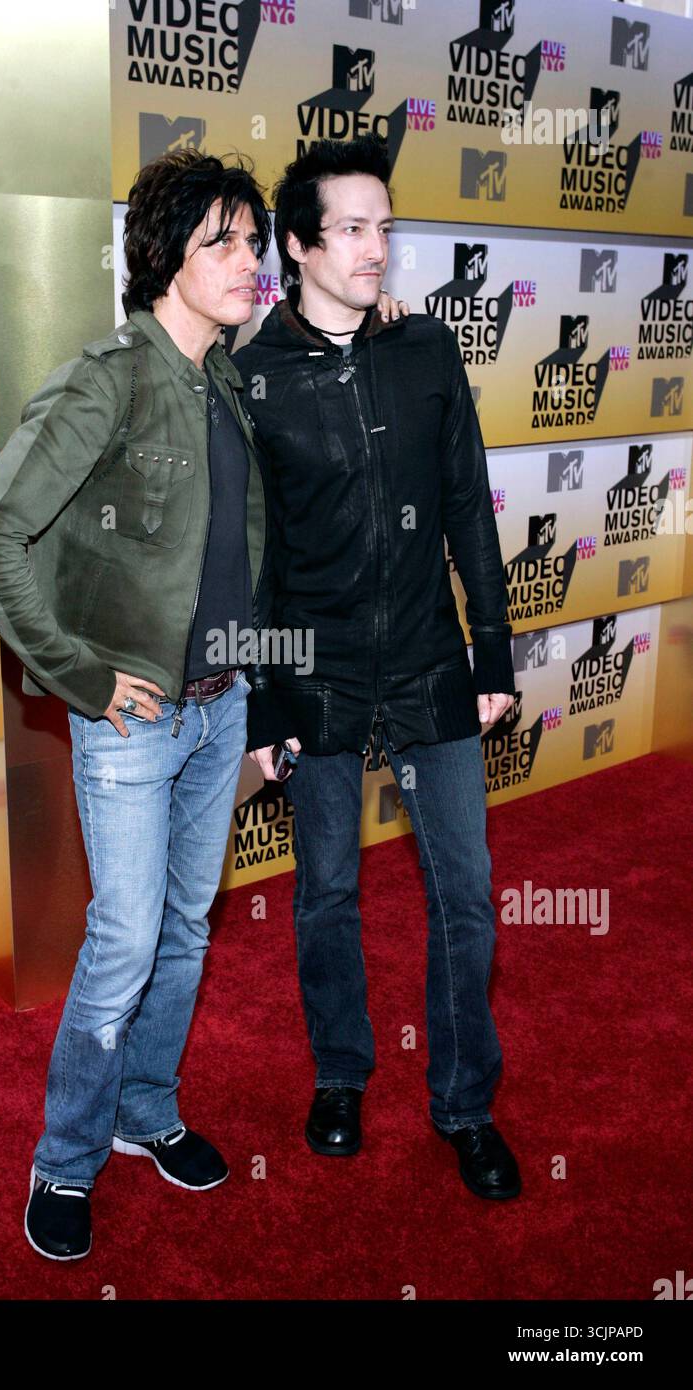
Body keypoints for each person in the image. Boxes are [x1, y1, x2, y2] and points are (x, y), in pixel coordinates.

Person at [0, 148, 279, 1259]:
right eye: (222, 243)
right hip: (133, 719)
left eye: (253, 239)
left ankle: (145, 1109)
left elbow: (235, 559)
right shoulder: (109, 376)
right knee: (126, 940)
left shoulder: (223, 379)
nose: (250, 262)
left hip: (220, 702)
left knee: (184, 930)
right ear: (163, 262)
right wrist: (81, 674)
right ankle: (66, 1156)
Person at [232, 133, 522, 1200]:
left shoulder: (425, 348)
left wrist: (489, 647)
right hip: (314, 671)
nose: (375, 247)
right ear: (298, 246)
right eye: (351, 229)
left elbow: (465, 507)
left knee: (468, 895)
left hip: (429, 662)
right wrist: (266, 695)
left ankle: (463, 1104)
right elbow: (250, 562)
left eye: (383, 226)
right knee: (326, 893)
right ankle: (341, 1076)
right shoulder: (252, 377)